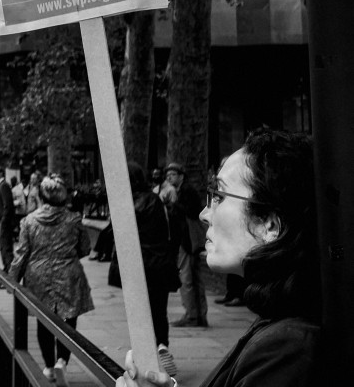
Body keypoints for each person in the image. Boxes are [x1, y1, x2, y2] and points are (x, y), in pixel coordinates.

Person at [117, 128, 321, 387]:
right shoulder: (280, 319)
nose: (205, 213)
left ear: (269, 225)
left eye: (219, 197)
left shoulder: (288, 347)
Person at [9, 175, 94, 387]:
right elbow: (84, 248)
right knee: (69, 321)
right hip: (68, 274)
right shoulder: (74, 219)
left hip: (39, 275)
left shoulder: (29, 221)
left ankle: (48, 366)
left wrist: (12, 279)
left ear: (41, 195)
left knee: (43, 321)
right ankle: (62, 362)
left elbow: (21, 254)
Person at [111, 162, 181, 377]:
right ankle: (162, 346)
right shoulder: (154, 199)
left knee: (140, 315)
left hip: (137, 266)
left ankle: (145, 357)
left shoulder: (126, 202)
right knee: (159, 311)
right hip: (159, 264)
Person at [165, 162, 209, 328]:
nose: (169, 177)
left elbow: (192, 211)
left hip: (187, 241)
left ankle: (192, 315)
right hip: (189, 240)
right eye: (168, 175)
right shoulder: (182, 190)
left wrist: (173, 205)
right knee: (195, 278)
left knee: (187, 278)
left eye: (173, 174)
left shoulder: (186, 191)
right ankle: (199, 315)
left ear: (181, 176)